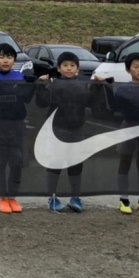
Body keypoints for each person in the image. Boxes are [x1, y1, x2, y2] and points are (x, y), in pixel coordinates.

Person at [97, 53, 139, 215]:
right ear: (129, 70)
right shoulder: (123, 88)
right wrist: (105, 86)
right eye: (136, 67)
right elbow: (113, 106)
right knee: (125, 162)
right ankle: (124, 199)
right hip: (128, 127)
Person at [0, 43, 35, 214]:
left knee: (17, 161)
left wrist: (32, 84)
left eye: (9, 57)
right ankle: (2, 197)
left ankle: (13, 197)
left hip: (17, 125)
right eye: (1, 57)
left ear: (14, 60)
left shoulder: (20, 77)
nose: (5, 60)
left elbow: (27, 99)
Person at [35, 51, 92, 213]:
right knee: (55, 164)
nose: (69, 68)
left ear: (78, 69)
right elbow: (41, 103)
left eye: (72, 65)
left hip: (77, 130)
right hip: (56, 130)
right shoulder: (53, 85)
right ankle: (52, 197)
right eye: (65, 65)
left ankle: (75, 197)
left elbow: (92, 102)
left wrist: (100, 87)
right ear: (59, 69)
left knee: (76, 164)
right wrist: (40, 86)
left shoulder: (83, 85)